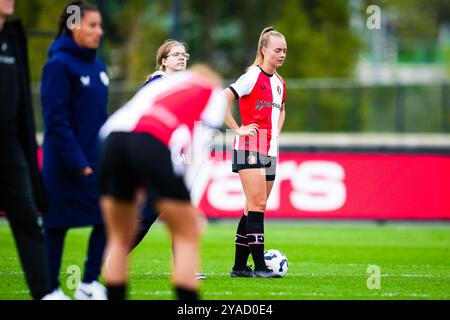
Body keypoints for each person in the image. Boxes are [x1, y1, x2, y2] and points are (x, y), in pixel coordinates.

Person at [98, 65, 229, 300]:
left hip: (111, 140)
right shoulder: (212, 90)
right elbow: (196, 139)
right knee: (187, 232)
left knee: (119, 235)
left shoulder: (160, 83)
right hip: (152, 141)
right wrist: (185, 199)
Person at [40, 0, 108, 300]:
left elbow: (100, 116)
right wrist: (78, 161)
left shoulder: (98, 65)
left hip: (97, 161)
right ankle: (50, 289)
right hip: (65, 163)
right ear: (73, 26)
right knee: (56, 225)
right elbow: (55, 121)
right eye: (92, 25)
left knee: (107, 218)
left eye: (100, 26)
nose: (99, 32)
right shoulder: (58, 65)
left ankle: (88, 283)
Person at [224, 26, 287, 278]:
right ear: (263, 50)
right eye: (277, 50)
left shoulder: (280, 82)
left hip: (270, 147)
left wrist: (278, 130)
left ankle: (240, 267)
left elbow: (281, 109)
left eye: (284, 51)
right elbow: (222, 98)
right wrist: (237, 129)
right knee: (258, 204)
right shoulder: (251, 77)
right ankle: (260, 266)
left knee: (252, 207)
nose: (282, 55)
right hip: (250, 146)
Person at [0, 0, 52, 300]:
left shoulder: (13, 36)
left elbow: (22, 108)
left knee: (27, 219)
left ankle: (45, 293)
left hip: (10, 144)